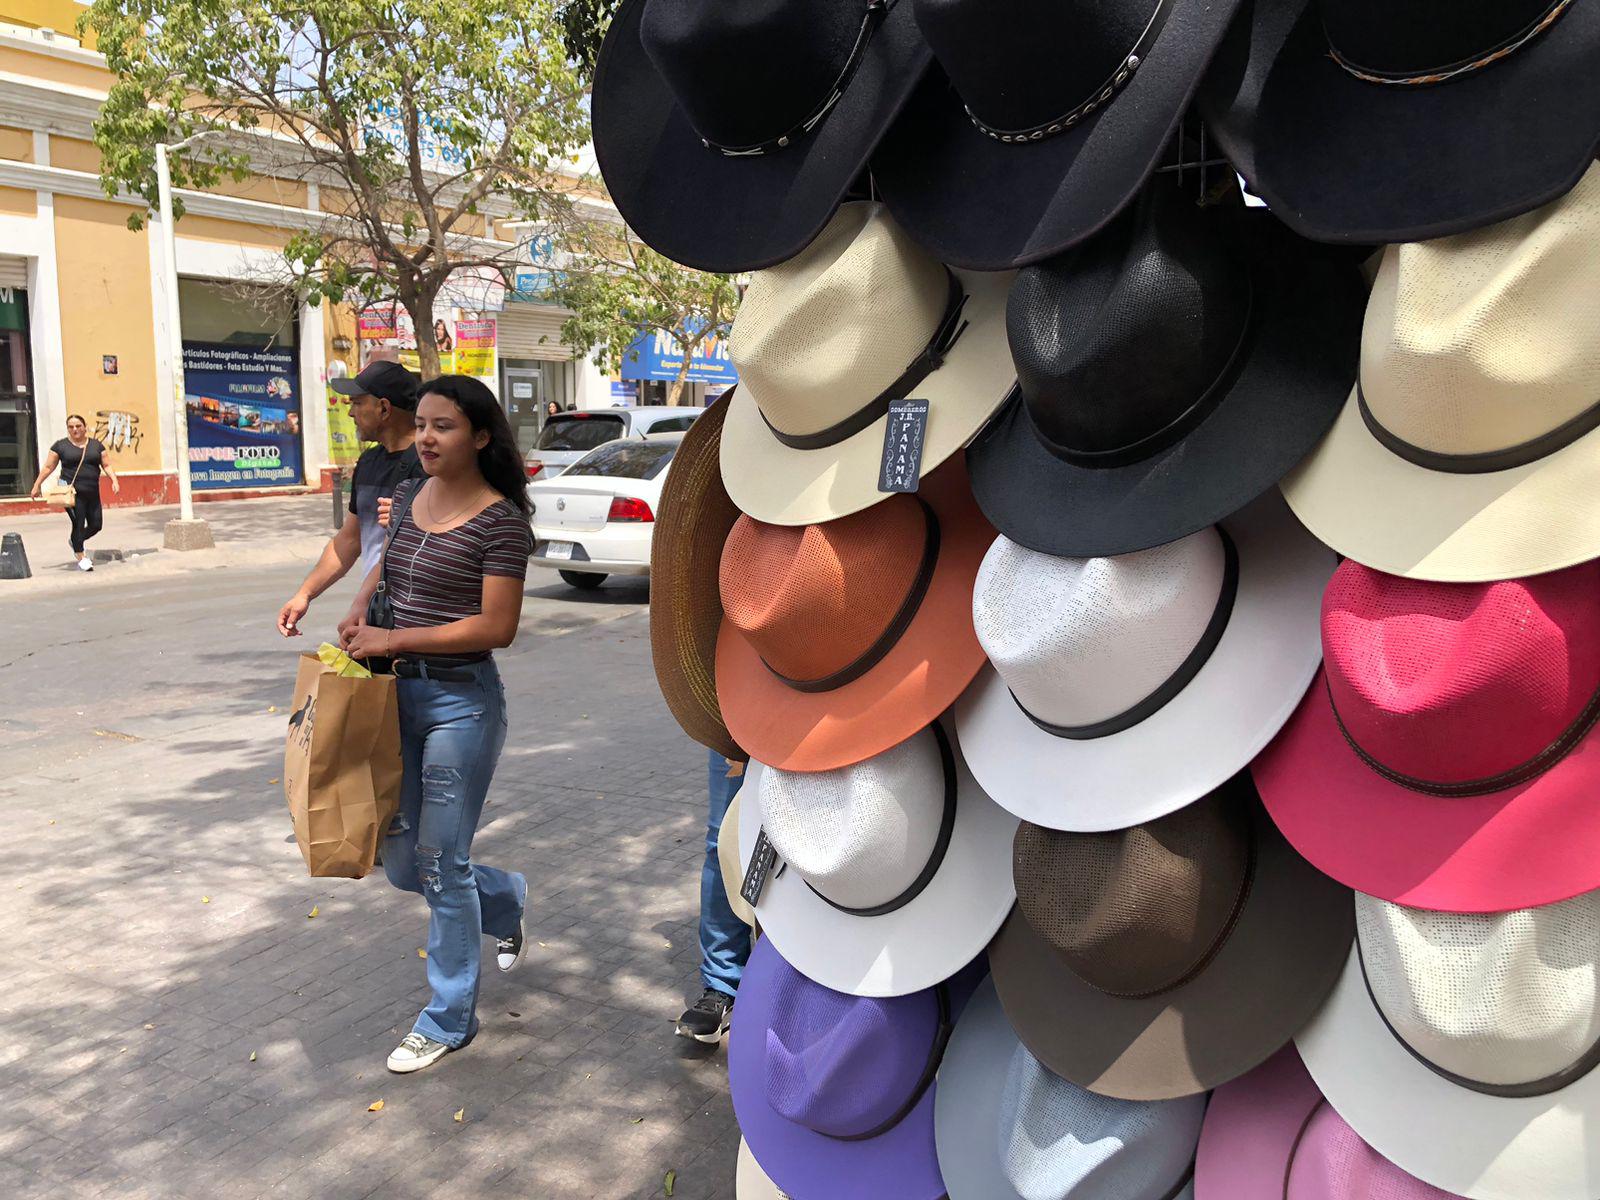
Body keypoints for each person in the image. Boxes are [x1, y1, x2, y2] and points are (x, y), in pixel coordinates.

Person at [340, 374, 534, 1075]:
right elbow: (386, 563)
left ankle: (447, 1018)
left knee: (441, 865)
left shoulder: (501, 521)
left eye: (442, 426)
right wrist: (362, 609)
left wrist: (396, 642)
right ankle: (506, 898)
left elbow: (497, 626)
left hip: (460, 705)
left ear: (481, 435)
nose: (425, 437)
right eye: (421, 423)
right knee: (400, 866)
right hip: (395, 705)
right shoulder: (411, 497)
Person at [276, 361, 423, 638]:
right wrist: (305, 594)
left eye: (356, 402)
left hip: (419, 619)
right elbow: (349, 539)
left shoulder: (429, 464)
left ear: (383, 408)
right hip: (378, 612)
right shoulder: (369, 461)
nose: (350, 411)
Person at [676, 750, 751, 1042]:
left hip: (826, 717)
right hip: (737, 719)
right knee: (724, 842)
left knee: (806, 840)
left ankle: (796, 983)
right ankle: (722, 982)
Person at [29, 413, 119, 571]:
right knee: (78, 522)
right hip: (70, 492)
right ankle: (81, 556)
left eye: (78, 426)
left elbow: (106, 465)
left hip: (92, 491)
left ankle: (75, 541)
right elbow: (48, 467)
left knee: (96, 525)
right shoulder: (60, 446)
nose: (75, 429)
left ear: (85, 427)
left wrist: (114, 480)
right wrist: (37, 485)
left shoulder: (96, 446)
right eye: (71, 427)